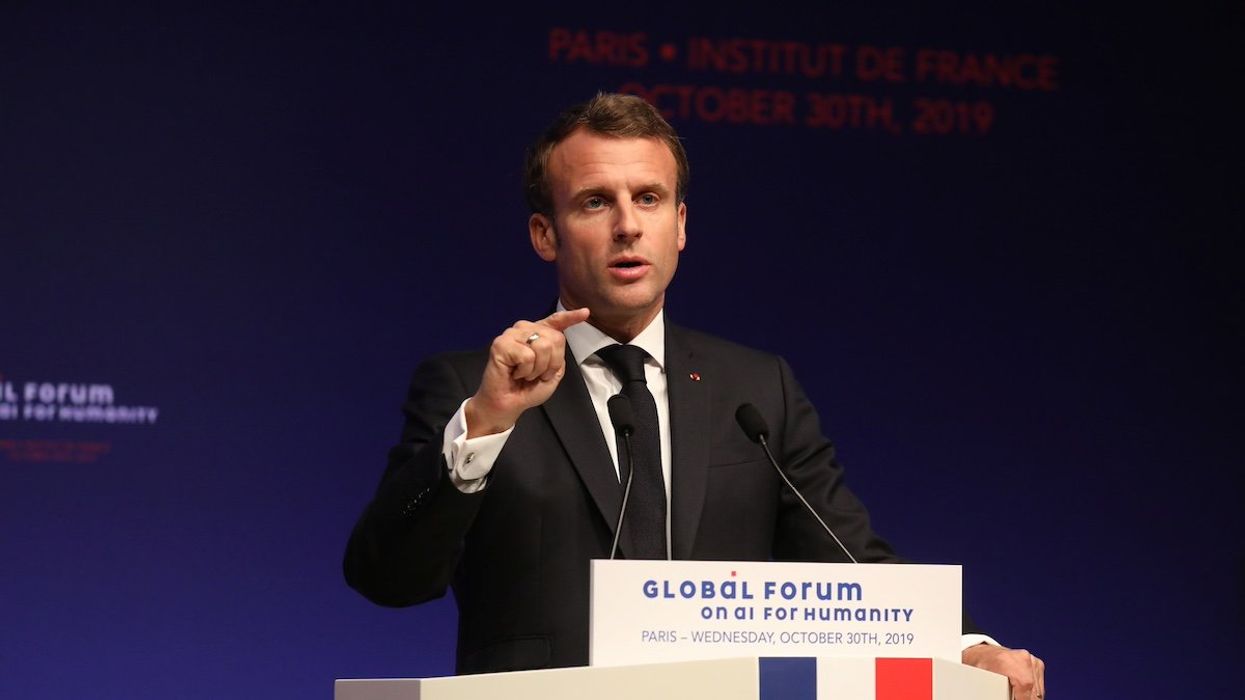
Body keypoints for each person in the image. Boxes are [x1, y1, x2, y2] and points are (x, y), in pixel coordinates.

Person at [343, 92, 1045, 698]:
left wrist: (965, 647)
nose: (627, 224)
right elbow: (389, 576)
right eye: (595, 202)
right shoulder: (474, 388)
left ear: (679, 224)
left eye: (647, 198)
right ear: (544, 235)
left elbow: (848, 561)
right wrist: (490, 421)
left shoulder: (754, 388)